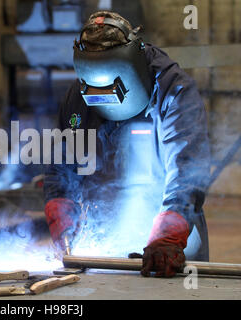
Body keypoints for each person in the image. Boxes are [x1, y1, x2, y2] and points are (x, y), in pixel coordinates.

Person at [44, 11, 211, 278]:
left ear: (134, 61)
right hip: (100, 238)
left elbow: (188, 170)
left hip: (170, 242)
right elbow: (61, 166)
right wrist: (60, 212)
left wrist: (168, 237)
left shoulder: (174, 92)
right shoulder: (78, 95)